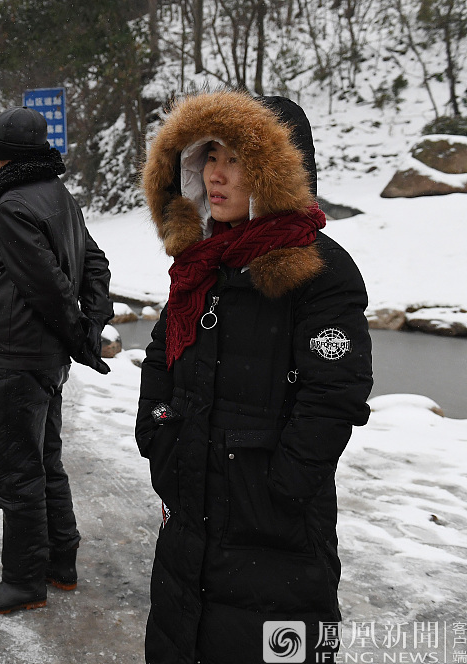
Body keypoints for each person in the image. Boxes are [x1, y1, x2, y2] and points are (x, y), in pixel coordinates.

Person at [135, 90, 373, 663]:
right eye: (210, 155)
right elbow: (161, 359)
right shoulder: (202, 264)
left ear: (277, 173)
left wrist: (280, 490)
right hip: (189, 517)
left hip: (278, 538)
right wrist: (159, 437)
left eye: (236, 159)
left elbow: (334, 396)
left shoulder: (320, 270)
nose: (216, 174)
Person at [0, 106, 113, 615]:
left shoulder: (12, 203)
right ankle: (60, 563)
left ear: (1, 153)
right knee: (45, 460)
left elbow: (45, 286)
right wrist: (90, 325)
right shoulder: (57, 195)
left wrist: (82, 336)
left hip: (18, 354)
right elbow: (95, 263)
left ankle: (24, 581)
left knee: (16, 470)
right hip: (43, 355)